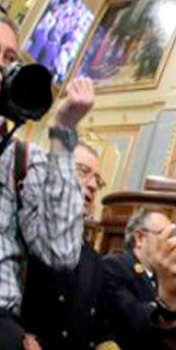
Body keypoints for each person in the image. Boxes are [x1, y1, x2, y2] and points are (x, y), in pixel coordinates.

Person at [0, 13, 92, 350]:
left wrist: (64, 129)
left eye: (9, 58)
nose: (4, 68)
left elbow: (62, 250)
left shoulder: (23, 160)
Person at [21, 140, 115, 350]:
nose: (92, 185)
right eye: (83, 171)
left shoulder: (93, 258)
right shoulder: (20, 231)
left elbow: (101, 324)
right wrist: (19, 334)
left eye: (97, 180)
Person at [103, 210, 176, 350]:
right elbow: (134, 322)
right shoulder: (113, 266)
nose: (171, 243)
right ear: (140, 238)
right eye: (166, 235)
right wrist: (169, 300)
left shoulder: (165, 277)